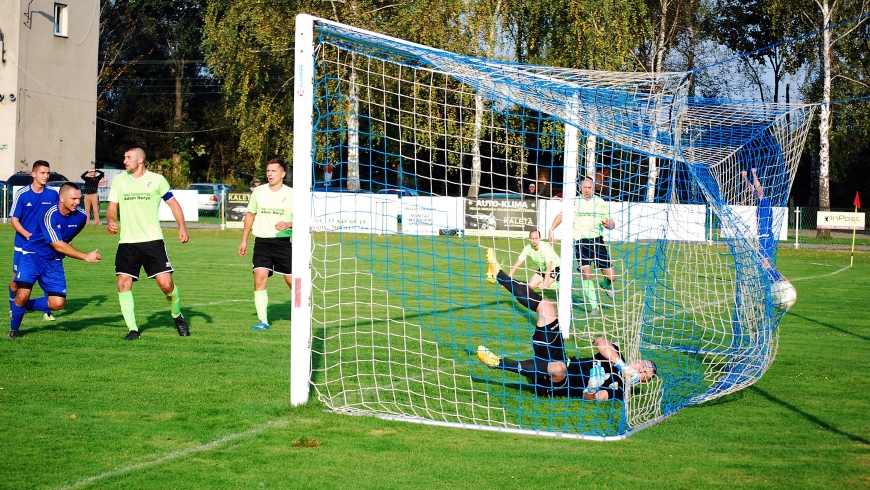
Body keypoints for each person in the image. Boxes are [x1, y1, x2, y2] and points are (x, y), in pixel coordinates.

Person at [479, 248, 656, 400]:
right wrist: (621, 365)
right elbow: (600, 342)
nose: (640, 368)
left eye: (644, 372)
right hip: (561, 358)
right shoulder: (617, 356)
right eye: (643, 364)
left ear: (643, 381)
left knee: (558, 368)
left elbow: (593, 398)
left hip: (558, 384)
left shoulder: (622, 390)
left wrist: (593, 388)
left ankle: (498, 363)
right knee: (547, 307)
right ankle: (499, 275)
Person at [107, 145, 190, 341]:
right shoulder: (119, 181)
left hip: (153, 241)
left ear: (140, 160)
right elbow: (112, 207)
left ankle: (177, 315)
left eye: (128, 157)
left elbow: (173, 204)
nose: (125, 161)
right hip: (127, 243)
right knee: (123, 284)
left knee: (166, 284)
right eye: (124, 157)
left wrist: (182, 227)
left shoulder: (157, 180)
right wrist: (111, 220)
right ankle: (133, 329)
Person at [8, 183, 100, 339]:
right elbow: (57, 244)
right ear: (61, 198)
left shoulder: (82, 216)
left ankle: (20, 305)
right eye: (73, 198)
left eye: (79, 198)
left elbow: (69, 235)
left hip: (54, 261)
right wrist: (85, 256)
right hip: (33, 255)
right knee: (23, 293)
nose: (77, 202)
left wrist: (68, 240)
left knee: (58, 303)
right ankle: (14, 330)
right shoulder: (49, 213)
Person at [238, 158, 293, 330]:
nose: (270, 174)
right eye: (268, 171)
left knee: (293, 282)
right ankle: (263, 321)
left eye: (274, 171)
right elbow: (250, 215)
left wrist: (289, 224)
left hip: (283, 243)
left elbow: (304, 220)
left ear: (283, 173)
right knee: (259, 278)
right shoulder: (258, 192)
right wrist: (244, 239)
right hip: (261, 243)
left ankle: (304, 314)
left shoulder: (292, 194)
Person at [548, 177, 616, 314]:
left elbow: (611, 222)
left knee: (611, 276)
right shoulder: (574, 202)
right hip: (581, 242)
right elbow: (562, 215)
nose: (587, 190)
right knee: (587, 274)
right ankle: (594, 307)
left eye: (589, 187)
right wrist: (551, 229)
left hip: (597, 241)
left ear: (593, 188)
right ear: (580, 188)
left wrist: (609, 225)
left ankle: (606, 284)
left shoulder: (600, 202)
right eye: (584, 187)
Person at [9, 161, 58, 322]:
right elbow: (14, 220)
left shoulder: (52, 194)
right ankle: (13, 306)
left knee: (47, 278)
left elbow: (56, 218)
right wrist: (28, 234)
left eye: (47, 173)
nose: (46, 176)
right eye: (42, 173)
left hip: (45, 245)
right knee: (17, 281)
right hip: (23, 245)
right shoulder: (23, 194)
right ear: (34, 174)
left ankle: (47, 311)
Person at [742, 168, 784, 282]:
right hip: (765, 236)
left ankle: (775, 278)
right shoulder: (762, 204)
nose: (755, 193)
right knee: (764, 260)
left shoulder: (764, 203)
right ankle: (776, 276)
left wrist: (754, 174)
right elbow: (753, 190)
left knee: (763, 261)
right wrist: (745, 178)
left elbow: (759, 190)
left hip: (765, 236)